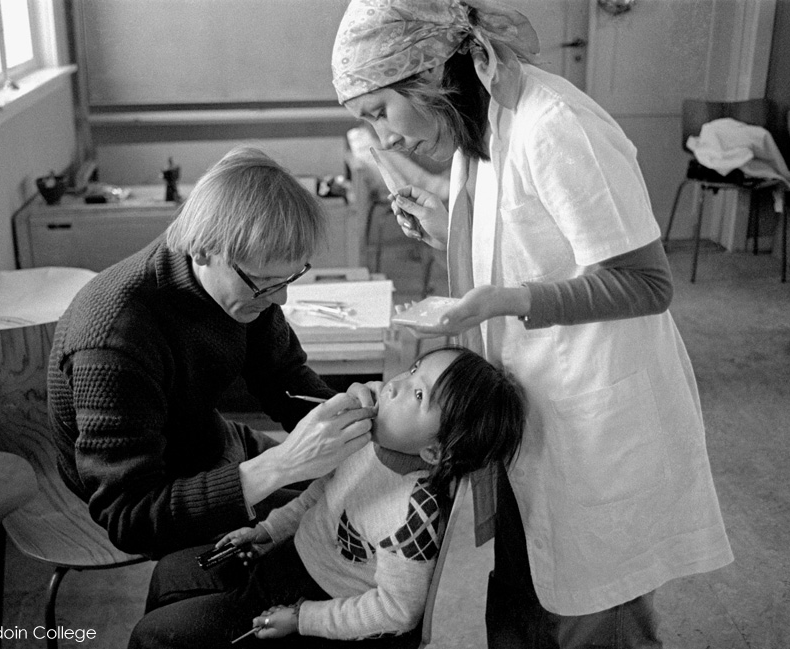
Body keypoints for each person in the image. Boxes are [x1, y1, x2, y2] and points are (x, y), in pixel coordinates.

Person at [331, 1, 734, 647]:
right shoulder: (478, 128)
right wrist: (449, 230)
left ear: (430, 71)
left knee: (592, 613)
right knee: (526, 603)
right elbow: (530, 247)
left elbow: (646, 282)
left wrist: (504, 300)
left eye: (379, 111)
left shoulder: (555, 122)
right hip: (528, 418)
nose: (384, 138)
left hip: (593, 427)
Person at [48, 146, 377, 559]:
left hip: (204, 442)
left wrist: (348, 418)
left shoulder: (240, 284)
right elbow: (129, 516)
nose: (282, 297)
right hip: (153, 496)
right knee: (330, 539)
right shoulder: (115, 341)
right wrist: (283, 465)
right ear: (202, 249)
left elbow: (285, 379)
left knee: (347, 492)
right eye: (266, 282)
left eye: (290, 277)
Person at [129, 346, 526, 648]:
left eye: (418, 395)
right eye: (413, 370)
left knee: (155, 635)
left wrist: (302, 619)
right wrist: (267, 531)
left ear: (434, 453)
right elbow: (320, 497)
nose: (396, 383)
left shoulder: (412, 517)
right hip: (289, 560)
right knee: (169, 574)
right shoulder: (366, 444)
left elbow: (398, 611)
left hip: (317, 605)